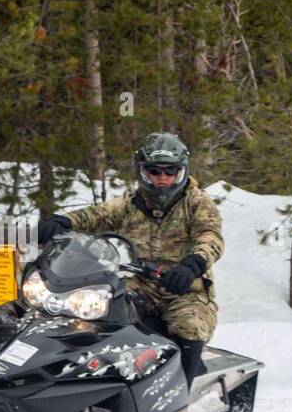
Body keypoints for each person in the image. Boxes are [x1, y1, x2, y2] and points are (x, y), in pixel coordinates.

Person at [37, 131, 223, 384]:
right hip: (141, 285)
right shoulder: (131, 203)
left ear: (181, 172)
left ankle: (180, 395)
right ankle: (98, 382)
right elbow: (96, 215)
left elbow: (210, 236)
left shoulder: (197, 203)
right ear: (142, 172)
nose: (163, 180)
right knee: (98, 310)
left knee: (189, 326)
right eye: (154, 172)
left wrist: (191, 265)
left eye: (171, 172)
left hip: (186, 289)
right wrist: (63, 221)